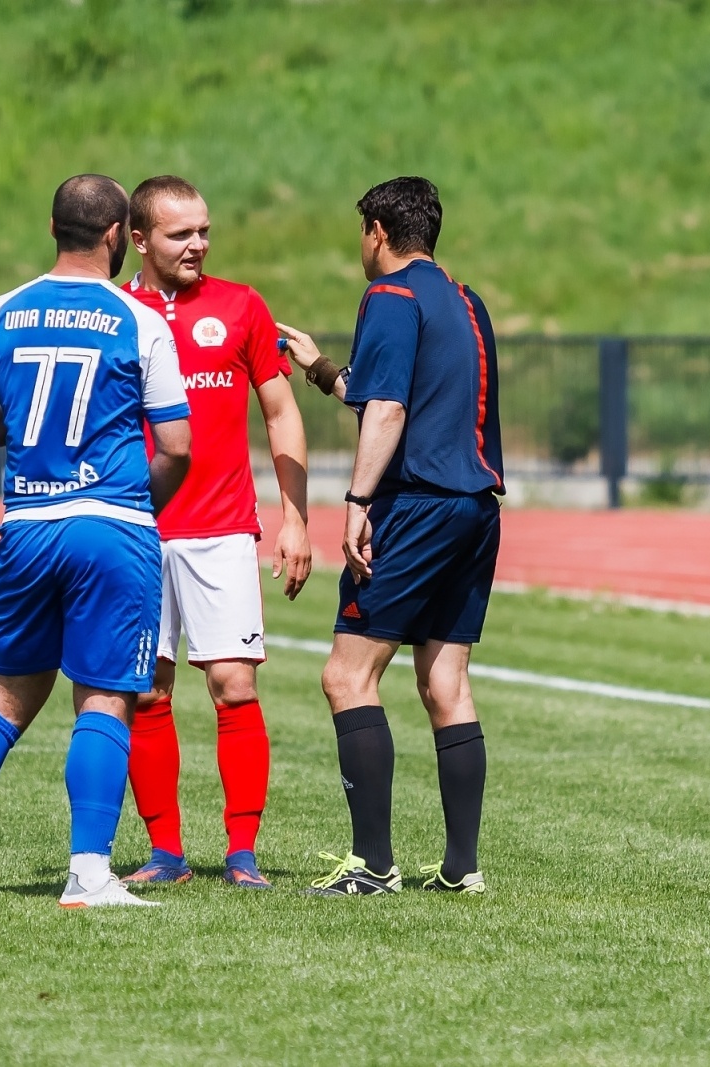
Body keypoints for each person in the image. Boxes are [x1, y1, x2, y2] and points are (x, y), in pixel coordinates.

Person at [0, 174, 192, 908]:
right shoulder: (139, 320)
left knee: (4, 695)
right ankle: (89, 873)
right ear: (117, 236)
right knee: (106, 698)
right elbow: (178, 444)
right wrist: (137, 506)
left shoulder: (2, 310)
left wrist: (30, 428)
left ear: (53, 228)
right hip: (112, 526)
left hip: (27, 525)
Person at [277, 176, 503, 896]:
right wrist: (321, 370)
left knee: (347, 676)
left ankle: (373, 865)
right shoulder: (466, 300)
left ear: (377, 231)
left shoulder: (389, 295)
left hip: (416, 507)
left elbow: (389, 412)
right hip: (475, 509)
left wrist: (356, 501)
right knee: (444, 683)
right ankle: (462, 869)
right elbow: (389, 393)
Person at [118, 175, 312, 890]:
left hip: (222, 528)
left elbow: (281, 412)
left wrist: (295, 517)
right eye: (181, 234)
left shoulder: (242, 305)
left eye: (204, 230)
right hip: (133, 530)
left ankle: (242, 853)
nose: (198, 244)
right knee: (147, 691)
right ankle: (165, 852)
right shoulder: (112, 311)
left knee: (234, 685)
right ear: (139, 239)